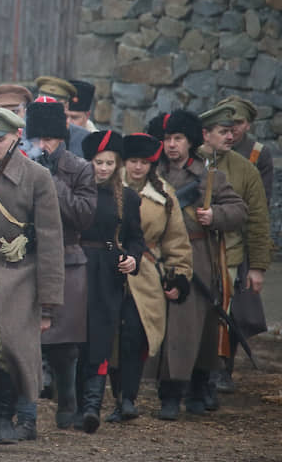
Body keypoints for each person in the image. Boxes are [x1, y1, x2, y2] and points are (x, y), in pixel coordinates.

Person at [0, 108, 65, 449]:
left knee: (11, 348)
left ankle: (5, 416)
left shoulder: (37, 176)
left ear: (16, 138)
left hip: (20, 273)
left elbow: (50, 239)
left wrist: (48, 303)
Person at [146, 109, 246, 421]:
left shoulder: (207, 176)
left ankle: (195, 388)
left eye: (178, 139)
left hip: (197, 255)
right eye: (166, 139)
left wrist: (214, 216)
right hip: (159, 254)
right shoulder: (152, 173)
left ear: (190, 141)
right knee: (163, 324)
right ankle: (168, 393)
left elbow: (239, 210)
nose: (172, 145)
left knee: (194, 327)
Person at [16, 96, 96, 439]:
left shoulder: (79, 168)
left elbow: (83, 215)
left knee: (65, 346)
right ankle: (26, 413)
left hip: (68, 258)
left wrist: (53, 181)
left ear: (61, 137)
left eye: (48, 139)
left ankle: (67, 400)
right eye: (37, 139)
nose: (42, 146)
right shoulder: (21, 165)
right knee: (23, 342)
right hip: (28, 258)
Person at [107, 133, 192, 423]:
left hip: (145, 274)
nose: (138, 167)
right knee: (111, 336)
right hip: (107, 269)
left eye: (144, 162)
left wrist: (179, 276)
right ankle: (113, 397)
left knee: (134, 334)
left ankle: (128, 398)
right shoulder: (107, 184)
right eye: (133, 161)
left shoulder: (165, 195)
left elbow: (177, 241)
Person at [196, 104, 271, 396]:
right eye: (223, 132)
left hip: (231, 256)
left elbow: (258, 221)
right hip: (196, 254)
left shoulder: (245, 170)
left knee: (225, 315)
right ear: (206, 134)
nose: (230, 137)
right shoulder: (191, 164)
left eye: (232, 131)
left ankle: (220, 372)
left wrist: (257, 267)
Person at [76, 130, 146, 433]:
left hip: (108, 273)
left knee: (101, 337)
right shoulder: (77, 192)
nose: (103, 168)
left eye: (109, 163)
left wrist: (133, 259)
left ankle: (92, 406)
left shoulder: (127, 199)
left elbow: (135, 238)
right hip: (77, 269)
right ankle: (76, 404)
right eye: (98, 162)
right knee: (76, 339)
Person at [217, 95, 274, 203]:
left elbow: (263, 199)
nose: (233, 127)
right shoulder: (208, 149)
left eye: (239, 122)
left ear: (248, 125)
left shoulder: (259, 153)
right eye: (228, 122)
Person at [33, 76, 89, 158]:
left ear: (66, 107)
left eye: (54, 106)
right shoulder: (22, 133)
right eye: (42, 105)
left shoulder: (82, 138)